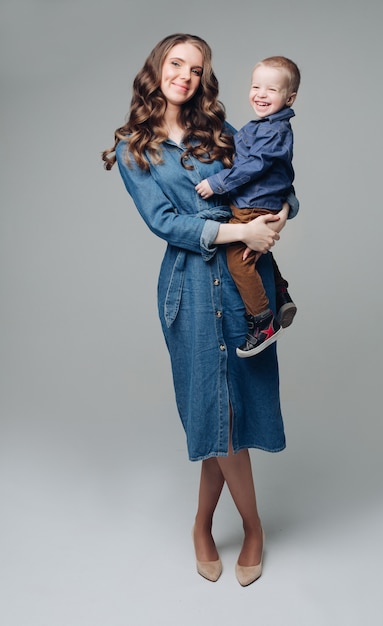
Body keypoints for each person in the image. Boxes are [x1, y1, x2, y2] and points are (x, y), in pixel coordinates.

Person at [102, 33, 298, 587]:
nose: (185, 76)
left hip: (244, 287)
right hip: (188, 290)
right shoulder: (132, 148)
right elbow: (166, 222)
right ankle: (254, 526)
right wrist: (241, 230)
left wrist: (279, 214)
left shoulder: (222, 131)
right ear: (158, 68)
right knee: (217, 410)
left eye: (196, 68)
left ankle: (203, 525)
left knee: (228, 412)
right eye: (176, 64)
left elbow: (273, 174)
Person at [196, 56, 300, 358]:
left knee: (239, 261)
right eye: (256, 86)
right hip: (254, 203)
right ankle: (279, 291)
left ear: (289, 98)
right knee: (254, 253)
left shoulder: (272, 131)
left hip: (253, 205)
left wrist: (216, 183)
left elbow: (253, 166)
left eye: (271, 89)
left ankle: (262, 321)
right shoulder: (261, 126)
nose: (261, 94)